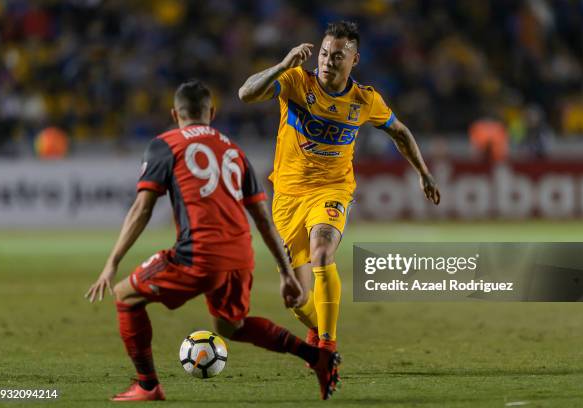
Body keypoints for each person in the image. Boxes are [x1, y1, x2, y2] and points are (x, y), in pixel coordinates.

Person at [85, 80, 341, 401]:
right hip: (240, 256)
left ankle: (148, 385)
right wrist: (286, 272)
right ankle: (316, 357)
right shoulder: (234, 150)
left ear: (174, 114)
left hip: (198, 255)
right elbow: (262, 217)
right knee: (230, 327)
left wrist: (112, 263)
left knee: (125, 296)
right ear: (212, 113)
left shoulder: (166, 144)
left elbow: (141, 209)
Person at [238, 21, 440, 352]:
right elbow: (245, 93)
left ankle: (327, 347)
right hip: (287, 197)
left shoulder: (365, 100)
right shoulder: (294, 81)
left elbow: (399, 131)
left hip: (332, 189)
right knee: (296, 297)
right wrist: (282, 65)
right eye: (324, 53)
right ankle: (318, 326)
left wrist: (423, 171)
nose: (328, 61)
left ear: (354, 60)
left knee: (321, 251)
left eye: (337, 56)